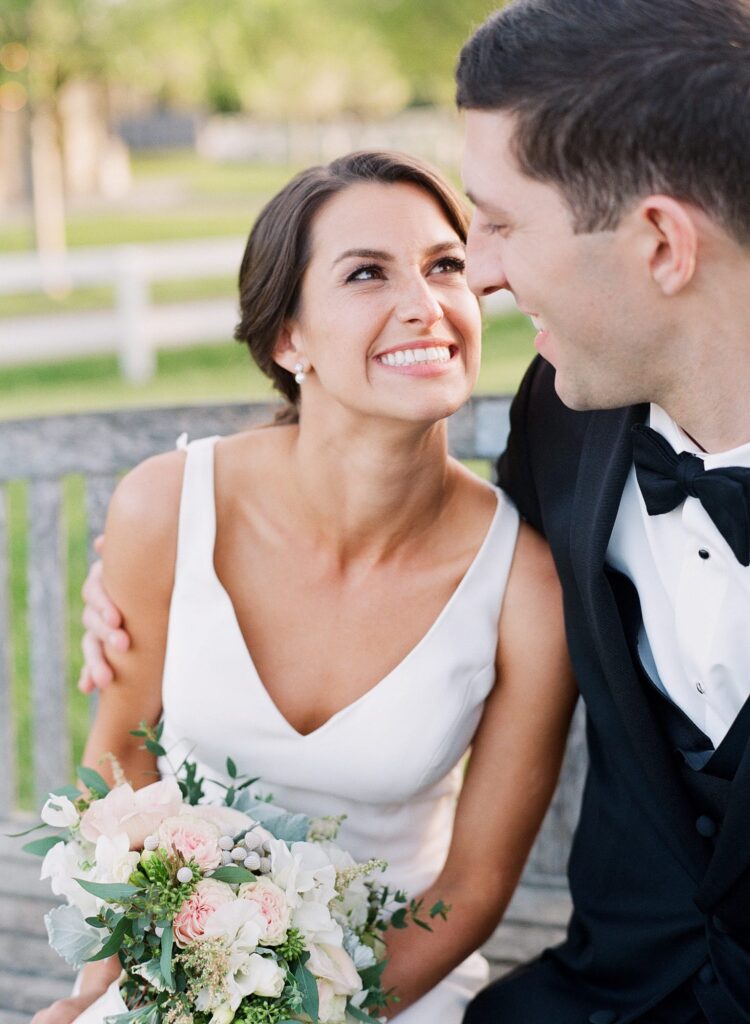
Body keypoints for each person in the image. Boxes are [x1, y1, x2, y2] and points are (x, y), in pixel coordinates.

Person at [34, 151, 576, 1024]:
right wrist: (107, 978)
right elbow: (121, 763)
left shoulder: (526, 585)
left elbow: (470, 889)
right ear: (289, 339)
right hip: (176, 961)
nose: (426, 304)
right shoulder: (168, 506)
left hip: (393, 981)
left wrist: (315, 1012)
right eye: (368, 273)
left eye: (445, 265)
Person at [453, 1, 750, 1022]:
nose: (478, 270)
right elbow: (445, 563)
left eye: (500, 222)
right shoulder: (564, 414)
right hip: (606, 998)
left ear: (662, 241)